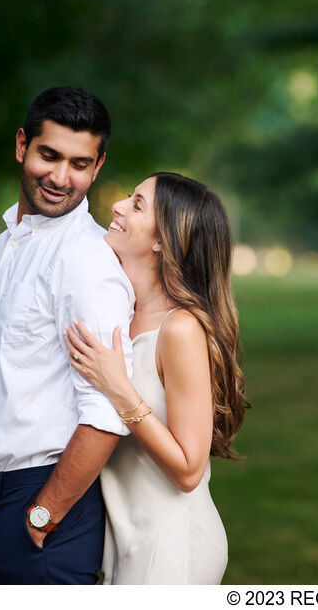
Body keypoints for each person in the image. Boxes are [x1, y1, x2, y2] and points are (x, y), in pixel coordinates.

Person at [0, 86, 135, 584]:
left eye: (78, 163)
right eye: (48, 155)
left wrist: (42, 516)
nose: (59, 177)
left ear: (97, 168)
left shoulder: (88, 261)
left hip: (43, 508)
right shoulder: (6, 245)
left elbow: (108, 410)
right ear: (21, 145)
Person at [64, 171, 249, 584]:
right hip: (124, 534)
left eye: (137, 204)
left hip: (170, 544)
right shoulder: (122, 311)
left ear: (162, 240)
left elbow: (189, 469)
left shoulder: (179, 329)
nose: (117, 206)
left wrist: (119, 389)